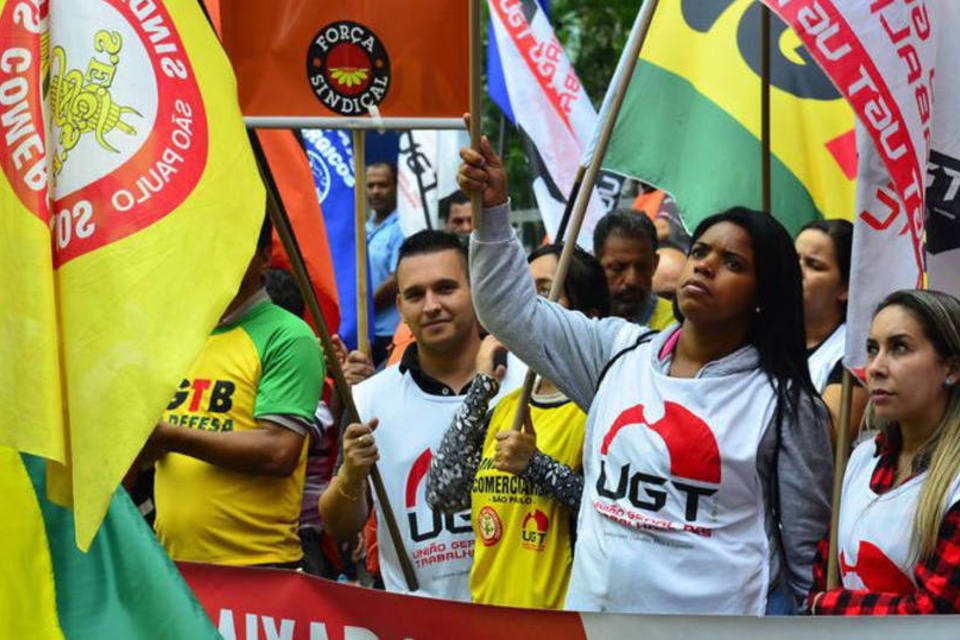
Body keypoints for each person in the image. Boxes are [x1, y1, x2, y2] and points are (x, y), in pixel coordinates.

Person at [458, 132, 832, 614]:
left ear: (764, 295)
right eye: (700, 252)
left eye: (732, 263)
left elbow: (806, 560)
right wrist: (492, 213)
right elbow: (507, 310)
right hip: (596, 624)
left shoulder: (785, 403)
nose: (704, 267)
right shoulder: (617, 351)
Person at [318, 230, 525, 601]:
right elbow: (338, 525)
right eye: (415, 295)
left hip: (520, 616)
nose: (431, 306)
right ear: (400, 308)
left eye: (445, 289)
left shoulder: (528, 385)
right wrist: (351, 473)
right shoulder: (368, 399)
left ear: (476, 290)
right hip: (416, 619)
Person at [427, 243, 609, 609]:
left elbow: (613, 516)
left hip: (563, 626)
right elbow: (443, 495)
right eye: (523, 292)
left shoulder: (602, 409)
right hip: (490, 619)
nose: (527, 306)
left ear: (587, 319)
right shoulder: (507, 407)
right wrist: (480, 390)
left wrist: (536, 466)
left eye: (544, 292)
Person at [147, 216, 325, 567]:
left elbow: (279, 451)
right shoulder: (175, 335)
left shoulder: (289, 336)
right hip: (174, 570)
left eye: (232, 242)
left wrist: (169, 437)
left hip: (257, 572)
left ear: (264, 258)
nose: (216, 254)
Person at [810, 290, 960, 615]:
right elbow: (822, 574)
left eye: (900, 348)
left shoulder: (955, 484)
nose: (875, 368)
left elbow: (934, 612)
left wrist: (829, 605)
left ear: (951, 368)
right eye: (872, 349)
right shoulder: (863, 459)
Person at [796, 219, 867, 444]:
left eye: (813, 265)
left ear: (845, 288)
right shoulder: (756, 332)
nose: (796, 270)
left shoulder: (854, 352)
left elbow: (823, 438)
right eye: (792, 259)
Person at [593, 209, 674, 329]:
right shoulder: (576, 311)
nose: (632, 280)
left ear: (655, 264)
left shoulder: (674, 328)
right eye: (618, 268)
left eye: (642, 268)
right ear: (595, 263)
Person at [366, 162, 405, 366]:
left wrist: (363, 306)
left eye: (382, 185)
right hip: (365, 331)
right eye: (370, 185)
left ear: (396, 187)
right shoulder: (364, 226)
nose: (376, 191)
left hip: (389, 332)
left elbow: (397, 278)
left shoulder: (402, 226)